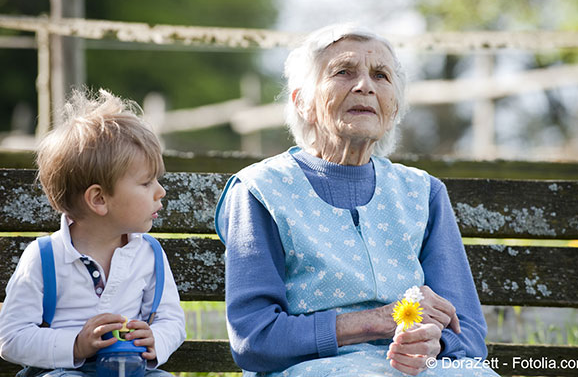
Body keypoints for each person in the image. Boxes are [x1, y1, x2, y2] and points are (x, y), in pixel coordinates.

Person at [215, 24, 499, 377]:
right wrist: (379, 321)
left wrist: (433, 344)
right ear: (302, 101)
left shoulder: (422, 192)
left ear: (394, 106)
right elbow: (254, 339)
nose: (365, 85)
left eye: (381, 75)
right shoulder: (260, 190)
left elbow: (468, 334)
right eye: (344, 72)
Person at [0, 89, 186, 377]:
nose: (160, 192)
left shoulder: (148, 253)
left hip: (132, 369)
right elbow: (11, 338)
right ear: (99, 199)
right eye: (147, 183)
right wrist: (76, 345)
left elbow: (170, 319)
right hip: (64, 370)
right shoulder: (45, 257)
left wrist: (154, 340)